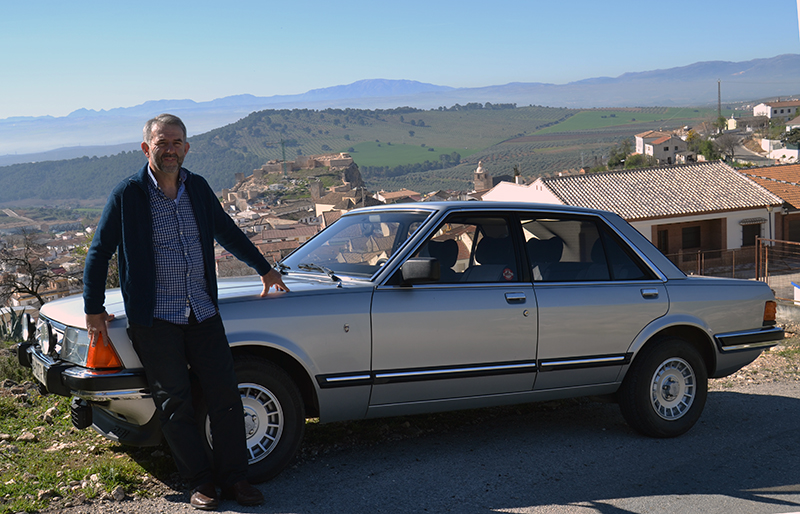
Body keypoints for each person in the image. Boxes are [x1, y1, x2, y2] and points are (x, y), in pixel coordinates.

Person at [83, 113, 289, 510]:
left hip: (202, 312)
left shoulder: (197, 187)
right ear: (147, 148)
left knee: (226, 396)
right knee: (174, 402)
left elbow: (226, 230)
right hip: (156, 319)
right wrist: (93, 309)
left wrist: (263, 268)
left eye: (177, 142)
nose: (171, 149)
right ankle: (200, 482)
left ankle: (237, 480)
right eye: (163, 142)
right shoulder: (128, 194)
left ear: (187, 147)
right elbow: (99, 251)